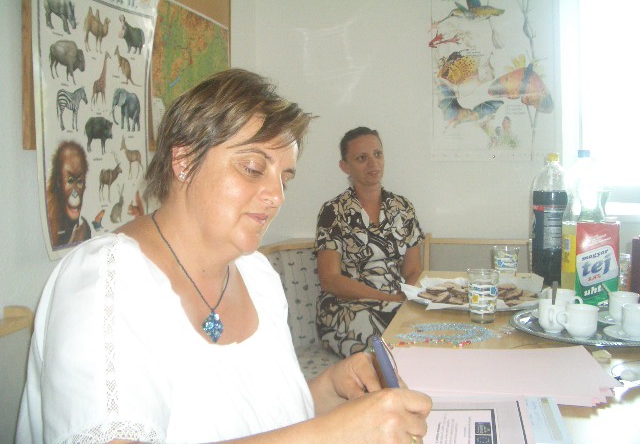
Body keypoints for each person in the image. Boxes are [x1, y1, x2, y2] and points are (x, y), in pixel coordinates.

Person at [17, 70, 431, 444]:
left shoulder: (257, 275)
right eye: (252, 168)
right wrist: (331, 434)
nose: (277, 196)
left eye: (284, 178)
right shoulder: (105, 282)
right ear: (183, 161)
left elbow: (254, 424)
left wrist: (329, 390)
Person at [315, 127, 424, 358]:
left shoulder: (403, 208)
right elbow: (330, 279)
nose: (373, 163)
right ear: (345, 166)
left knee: (427, 327)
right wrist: (389, 300)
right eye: (362, 158)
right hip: (347, 307)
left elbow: (413, 270)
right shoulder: (333, 211)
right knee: (381, 335)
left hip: (397, 302)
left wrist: (406, 299)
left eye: (377, 154)